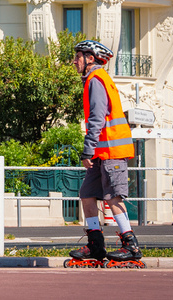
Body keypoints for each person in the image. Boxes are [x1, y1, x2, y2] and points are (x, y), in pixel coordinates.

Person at [68, 40, 143, 264]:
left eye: (78, 57)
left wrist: (87, 150)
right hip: (102, 153)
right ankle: (96, 245)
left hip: (111, 151)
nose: (74, 61)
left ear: (90, 58)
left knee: (113, 197)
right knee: (87, 194)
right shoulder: (95, 79)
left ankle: (131, 245)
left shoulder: (96, 80)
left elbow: (97, 118)